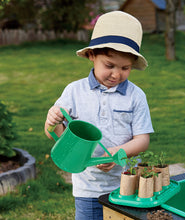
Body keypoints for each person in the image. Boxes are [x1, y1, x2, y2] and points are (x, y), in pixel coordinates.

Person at [44, 11, 154, 220]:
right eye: (109, 66)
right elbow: (57, 136)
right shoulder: (74, 92)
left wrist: (115, 153)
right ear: (92, 55)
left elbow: (142, 140)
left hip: (126, 186)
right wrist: (52, 122)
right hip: (88, 188)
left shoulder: (136, 96)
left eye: (125, 68)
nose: (116, 74)